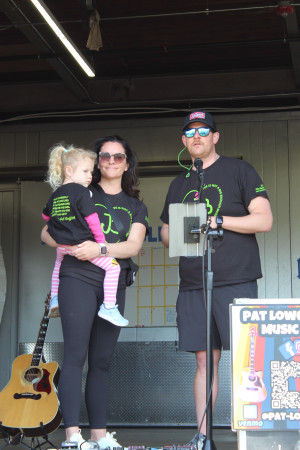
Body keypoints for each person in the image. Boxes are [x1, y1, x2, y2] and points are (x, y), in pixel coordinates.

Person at [160, 111, 273, 449]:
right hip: (193, 282)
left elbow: (263, 220)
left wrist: (218, 219)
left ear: (215, 137)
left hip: (235, 279)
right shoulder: (179, 183)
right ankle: (203, 436)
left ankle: (250, 435)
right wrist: (178, 231)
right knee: (204, 360)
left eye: (204, 131)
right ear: (184, 141)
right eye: (191, 132)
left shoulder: (240, 170)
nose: (197, 136)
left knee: (245, 360)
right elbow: (165, 232)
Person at [41, 135, 149, 449]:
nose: (112, 161)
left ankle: (100, 436)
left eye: (119, 157)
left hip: (113, 283)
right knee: (75, 357)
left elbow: (133, 246)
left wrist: (99, 246)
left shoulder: (135, 205)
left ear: (127, 163)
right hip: (77, 277)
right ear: (97, 162)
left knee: (102, 360)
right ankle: (73, 436)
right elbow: (46, 232)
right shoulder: (78, 189)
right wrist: (74, 247)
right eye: (106, 156)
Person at [42, 144, 128, 327]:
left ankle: (55, 298)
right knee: (113, 268)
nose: (90, 176)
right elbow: (92, 219)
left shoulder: (55, 195)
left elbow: (45, 217)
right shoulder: (82, 192)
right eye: (86, 171)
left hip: (62, 246)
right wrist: (100, 243)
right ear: (69, 171)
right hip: (81, 244)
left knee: (58, 265)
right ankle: (109, 307)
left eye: (91, 171)